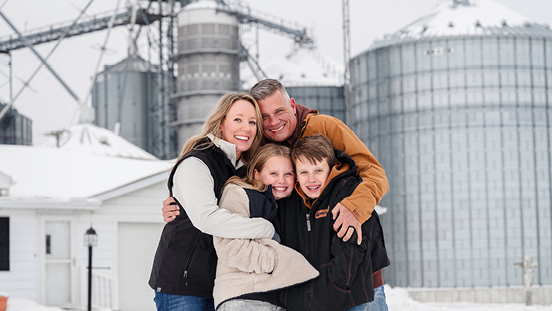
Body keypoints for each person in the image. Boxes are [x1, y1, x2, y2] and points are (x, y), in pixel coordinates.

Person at [163, 78, 389, 244]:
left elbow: (375, 174)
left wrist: (355, 208)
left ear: (292, 105)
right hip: (302, 259)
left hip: (351, 247)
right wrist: (180, 202)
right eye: (263, 117)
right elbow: (223, 189)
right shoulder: (257, 148)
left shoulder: (325, 128)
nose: (273, 122)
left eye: (279, 111)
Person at [149, 93, 278, 311]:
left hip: (219, 285)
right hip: (183, 284)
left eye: (252, 122)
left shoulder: (244, 167)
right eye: (237, 119)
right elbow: (206, 219)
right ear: (220, 123)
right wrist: (263, 229)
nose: (245, 128)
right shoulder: (198, 161)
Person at [276, 134, 390, 311]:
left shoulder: (349, 192)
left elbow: (350, 248)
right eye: (304, 172)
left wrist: (335, 287)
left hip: (351, 301)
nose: (311, 179)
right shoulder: (288, 202)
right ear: (296, 175)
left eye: (318, 171)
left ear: (331, 168)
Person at [213, 144, 319, 311]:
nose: (281, 180)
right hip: (244, 296)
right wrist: (279, 262)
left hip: (279, 299)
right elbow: (230, 247)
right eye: (273, 174)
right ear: (257, 174)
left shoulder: (287, 206)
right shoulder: (239, 194)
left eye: (288, 174)